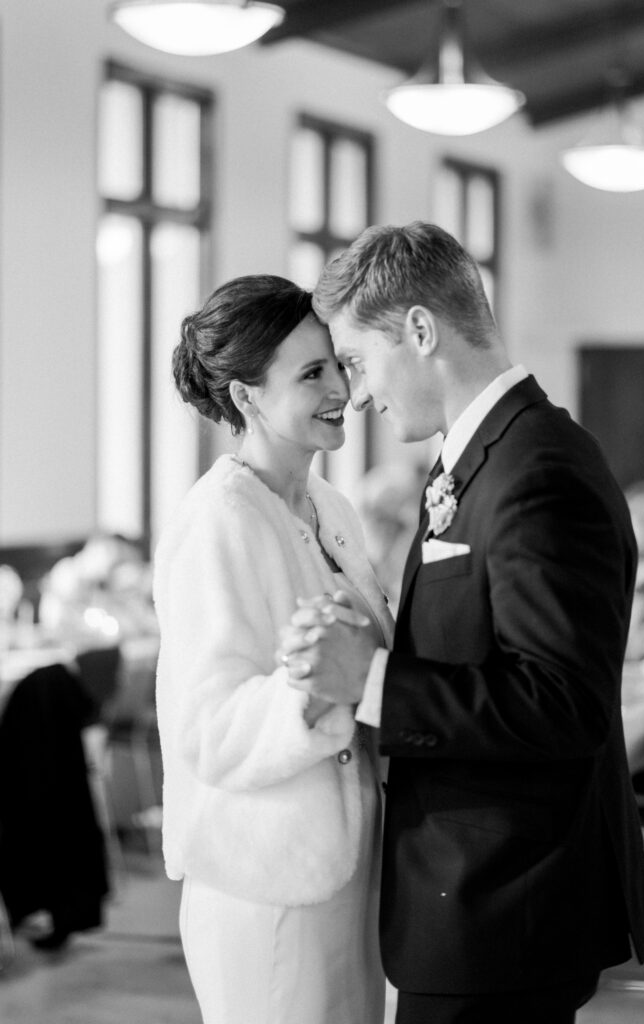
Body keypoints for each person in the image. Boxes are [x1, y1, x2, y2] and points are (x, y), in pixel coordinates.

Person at [280, 223, 644, 1024]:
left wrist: (373, 681)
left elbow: (561, 702)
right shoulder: (483, 453)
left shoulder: (538, 467)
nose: (355, 392)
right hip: (475, 899)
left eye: (354, 361)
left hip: (505, 902)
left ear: (419, 330)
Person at [152, 275, 393, 1024]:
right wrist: (319, 688)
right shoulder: (217, 523)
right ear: (247, 395)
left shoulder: (332, 506)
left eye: (339, 366)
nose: (341, 390)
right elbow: (208, 729)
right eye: (311, 373)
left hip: (352, 872)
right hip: (268, 892)